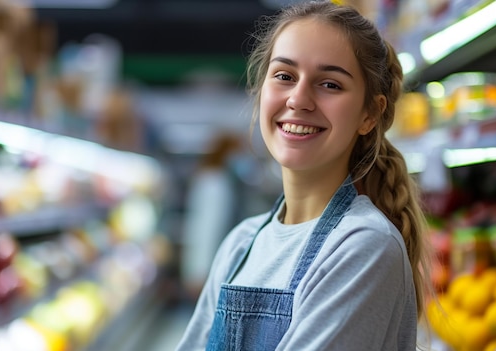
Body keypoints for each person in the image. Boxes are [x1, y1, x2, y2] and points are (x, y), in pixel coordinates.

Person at [176, 1, 432, 350]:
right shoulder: (241, 244)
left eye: (329, 84)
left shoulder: (362, 245)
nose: (298, 99)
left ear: (369, 114)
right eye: (284, 76)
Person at [180, 132, 243, 301]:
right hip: (205, 267)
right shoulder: (215, 184)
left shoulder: (210, 178)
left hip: (205, 264)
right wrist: (199, 271)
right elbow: (208, 228)